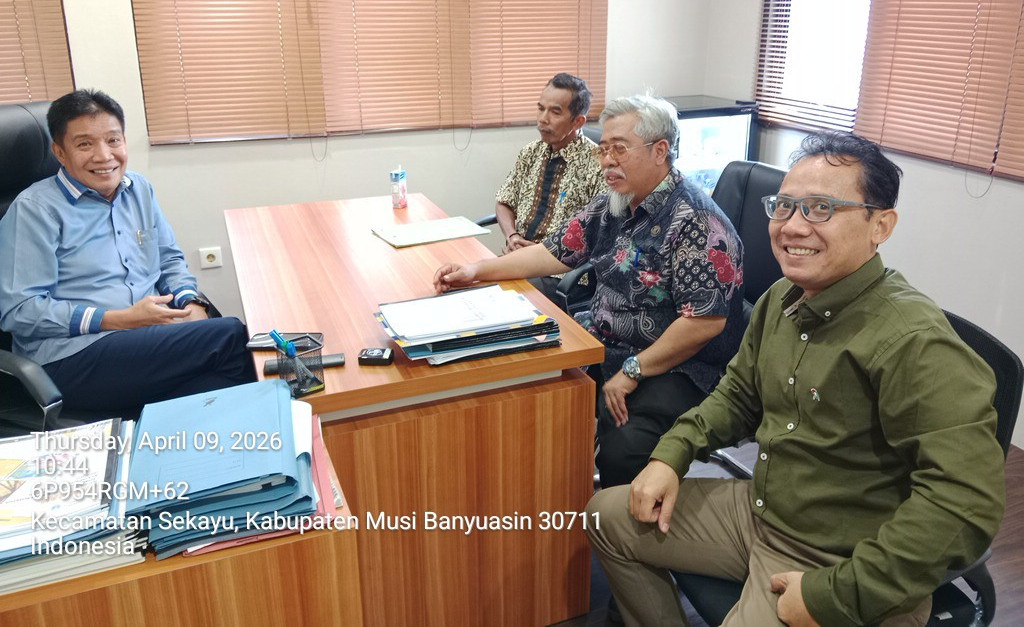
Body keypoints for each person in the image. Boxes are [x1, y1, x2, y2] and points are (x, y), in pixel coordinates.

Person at [585, 131, 1006, 626]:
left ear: (881, 225)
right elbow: (738, 396)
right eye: (784, 206)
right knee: (605, 516)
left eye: (821, 208)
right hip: (765, 513)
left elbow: (964, 505)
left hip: (842, 559)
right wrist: (670, 455)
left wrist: (836, 596)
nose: (793, 226)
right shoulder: (781, 298)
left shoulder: (913, 341)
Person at [436, 95, 745, 488]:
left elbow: (703, 323)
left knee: (623, 451)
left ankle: (625, 520)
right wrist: (476, 270)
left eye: (620, 149)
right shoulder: (614, 203)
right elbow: (553, 252)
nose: (607, 161)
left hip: (679, 365)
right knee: (530, 394)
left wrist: (634, 370)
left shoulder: (696, 221)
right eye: (604, 149)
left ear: (659, 151)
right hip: (605, 343)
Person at [0, 89, 257, 414]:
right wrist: (120, 320)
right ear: (60, 152)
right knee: (231, 337)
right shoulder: (35, 210)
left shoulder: (139, 190)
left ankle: (156, 436)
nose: (104, 155)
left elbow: (169, 261)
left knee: (222, 381)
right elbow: (20, 310)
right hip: (70, 358)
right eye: (85, 144)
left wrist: (191, 303)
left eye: (113, 140)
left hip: (145, 342)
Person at [494, 73, 606, 304]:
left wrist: (540, 253)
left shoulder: (598, 164)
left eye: (555, 112)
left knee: (495, 298)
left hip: (561, 275)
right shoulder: (530, 152)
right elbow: (504, 200)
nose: (543, 119)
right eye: (540, 109)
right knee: (467, 284)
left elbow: (601, 236)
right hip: (518, 258)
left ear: (578, 122)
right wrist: (512, 236)